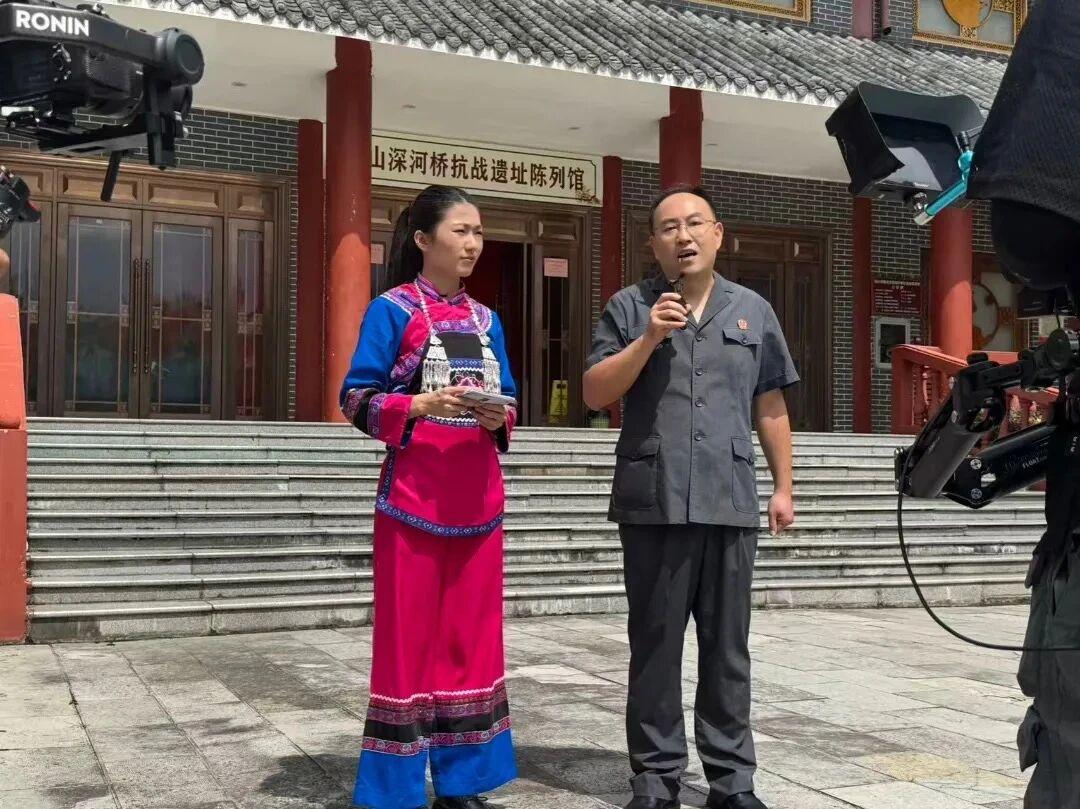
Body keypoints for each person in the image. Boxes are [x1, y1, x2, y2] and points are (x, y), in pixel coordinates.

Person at [583, 185, 799, 809]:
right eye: (670, 228)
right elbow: (596, 393)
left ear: (718, 233)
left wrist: (784, 486)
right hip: (654, 500)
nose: (684, 236)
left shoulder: (753, 310)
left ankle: (732, 782)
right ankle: (656, 780)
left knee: (728, 649)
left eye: (696, 223)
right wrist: (648, 338)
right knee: (655, 645)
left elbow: (770, 404)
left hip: (729, 498)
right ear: (653, 244)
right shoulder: (630, 307)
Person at [340, 185, 519, 809]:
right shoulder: (391, 310)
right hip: (413, 500)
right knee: (406, 642)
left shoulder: (487, 320)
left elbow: (510, 398)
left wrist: (499, 416)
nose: (473, 243)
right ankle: (394, 789)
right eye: (460, 231)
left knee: (472, 642)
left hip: (478, 499)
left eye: (478, 232)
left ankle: (462, 782)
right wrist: (416, 404)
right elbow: (355, 396)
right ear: (423, 239)